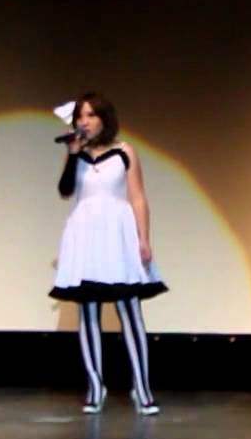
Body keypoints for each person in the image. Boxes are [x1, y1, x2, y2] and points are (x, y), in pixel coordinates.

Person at [51, 93, 167, 415]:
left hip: (118, 233)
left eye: (91, 115)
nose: (84, 121)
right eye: (80, 116)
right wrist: (73, 154)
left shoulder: (125, 151)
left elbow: (138, 198)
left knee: (129, 308)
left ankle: (142, 389)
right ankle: (95, 387)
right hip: (85, 233)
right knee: (89, 311)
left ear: (104, 119)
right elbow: (65, 191)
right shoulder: (76, 154)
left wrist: (144, 238)